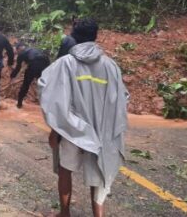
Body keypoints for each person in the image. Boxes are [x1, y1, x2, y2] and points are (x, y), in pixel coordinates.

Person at [38, 18, 128, 217]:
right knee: (99, 172)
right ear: (96, 36)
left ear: (74, 37)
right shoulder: (110, 67)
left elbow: (54, 99)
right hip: (101, 131)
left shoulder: (64, 65)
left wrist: (56, 130)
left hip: (72, 130)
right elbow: (120, 100)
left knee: (65, 170)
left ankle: (65, 212)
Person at [10, 43, 50, 109]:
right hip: (44, 64)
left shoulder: (22, 53)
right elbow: (46, 58)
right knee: (45, 85)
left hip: (34, 65)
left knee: (26, 84)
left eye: (17, 51)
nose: (17, 53)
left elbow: (18, 67)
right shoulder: (34, 49)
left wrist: (12, 76)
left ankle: (19, 103)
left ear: (19, 49)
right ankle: (47, 104)